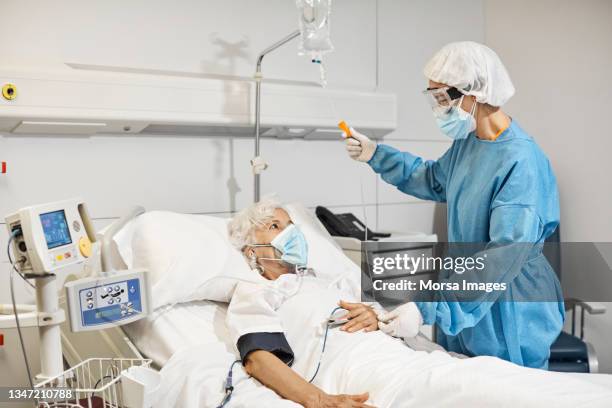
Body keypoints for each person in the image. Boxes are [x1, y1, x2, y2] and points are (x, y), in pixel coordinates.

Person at [344, 41, 564, 369]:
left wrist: (427, 307)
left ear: (474, 93)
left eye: (442, 98)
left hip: (507, 304)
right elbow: (434, 179)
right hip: (464, 290)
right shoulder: (469, 144)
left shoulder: (521, 161)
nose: (438, 108)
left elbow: (502, 255)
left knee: (506, 392)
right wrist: (377, 155)